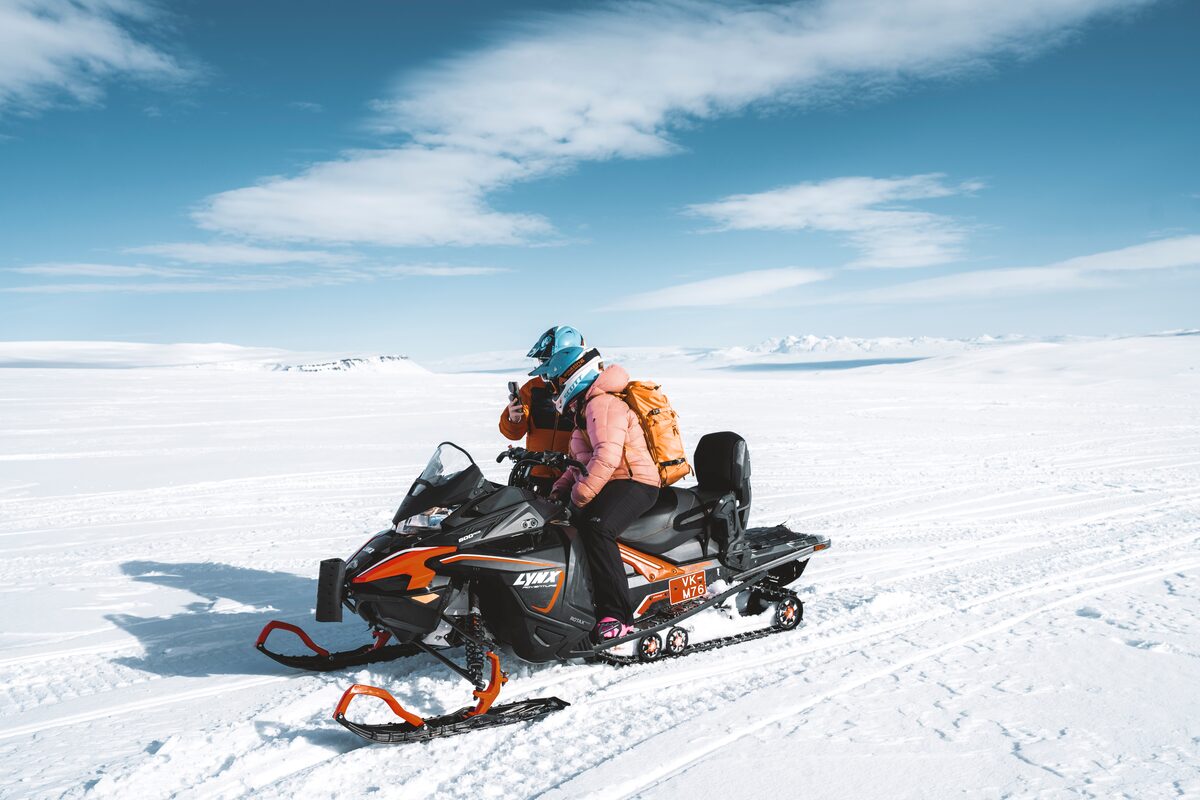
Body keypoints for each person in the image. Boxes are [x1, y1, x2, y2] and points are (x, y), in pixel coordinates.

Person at [533, 346, 662, 642]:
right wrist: (558, 491)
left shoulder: (601, 405)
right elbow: (578, 462)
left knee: (596, 528)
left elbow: (607, 457)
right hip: (611, 480)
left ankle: (617, 616)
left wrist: (578, 497)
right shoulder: (585, 408)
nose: (553, 391)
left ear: (570, 377)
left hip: (635, 481)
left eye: (554, 383)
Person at [500, 326, 585, 493]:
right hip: (535, 473)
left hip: (571, 476)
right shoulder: (532, 388)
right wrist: (514, 419)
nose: (544, 366)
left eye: (547, 360)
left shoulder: (583, 390)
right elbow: (513, 434)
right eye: (541, 361)